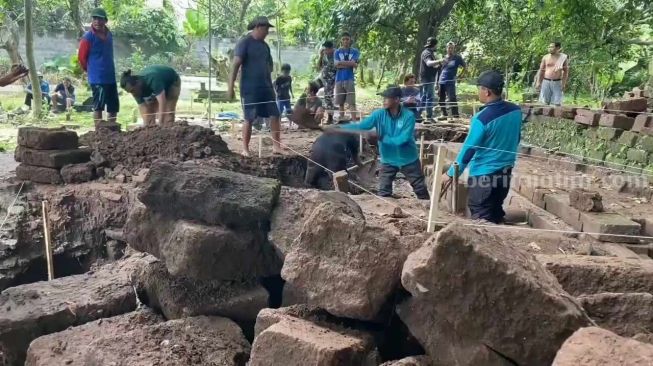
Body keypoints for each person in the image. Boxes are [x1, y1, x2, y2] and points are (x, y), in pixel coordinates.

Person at [443, 71, 521, 224]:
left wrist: (451, 173)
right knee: (496, 214)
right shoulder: (516, 111)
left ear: (487, 91)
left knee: (481, 220)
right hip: (505, 172)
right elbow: (517, 138)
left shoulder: (482, 118)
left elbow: (469, 149)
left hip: (483, 177)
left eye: (479, 88)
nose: (478, 92)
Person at [331, 85, 429, 200]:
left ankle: (428, 211)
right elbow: (362, 126)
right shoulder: (379, 114)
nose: (384, 101)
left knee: (420, 189)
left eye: (387, 98)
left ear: (397, 99)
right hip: (388, 160)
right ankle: (390, 213)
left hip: (408, 159)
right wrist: (339, 128)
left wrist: (381, 137)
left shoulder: (408, 116)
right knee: (384, 192)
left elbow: (403, 139)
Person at [228, 16, 282, 157]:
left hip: (266, 86)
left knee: (275, 114)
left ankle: (276, 146)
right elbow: (235, 65)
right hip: (249, 88)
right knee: (249, 117)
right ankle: (245, 148)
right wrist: (230, 86)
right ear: (258, 27)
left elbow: (269, 66)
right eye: (266, 29)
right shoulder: (244, 43)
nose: (267, 32)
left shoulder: (265, 46)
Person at [78, 8, 119, 126]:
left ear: (105, 20)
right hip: (97, 78)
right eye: (94, 18)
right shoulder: (88, 37)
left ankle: (112, 131)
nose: (96, 21)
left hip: (110, 76)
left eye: (99, 19)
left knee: (113, 106)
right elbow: (81, 58)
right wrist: (91, 70)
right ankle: (99, 132)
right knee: (98, 106)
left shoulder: (109, 34)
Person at [334, 32, 360, 121]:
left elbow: (353, 63)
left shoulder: (355, 51)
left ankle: (354, 121)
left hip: (349, 79)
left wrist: (341, 63)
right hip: (339, 79)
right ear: (341, 40)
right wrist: (351, 64)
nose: (345, 41)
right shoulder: (337, 51)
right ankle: (342, 120)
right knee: (340, 102)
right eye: (344, 39)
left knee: (351, 102)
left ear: (350, 40)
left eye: (347, 39)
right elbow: (336, 65)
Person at [438, 41, 466, 118]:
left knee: (452, 98)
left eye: (452, 48)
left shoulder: (457, 57)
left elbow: (465, 66)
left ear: (454, 49)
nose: (450, 49)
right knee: (441, 98)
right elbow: (440, 70)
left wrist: (460, 75)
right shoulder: (443, 58)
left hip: (450, 81)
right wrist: (437, 82)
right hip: (441, 80)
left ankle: (455, 115)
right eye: (449, 48)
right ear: (446, 48)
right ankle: (443, 114)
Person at [536, 41, 569, 106]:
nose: (549, 48)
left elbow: (566, 72)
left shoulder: (563, 57)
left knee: (557, 103)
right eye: (549, 47)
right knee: (544, 102)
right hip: (546, 81)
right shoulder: (545, 57)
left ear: (558, 48)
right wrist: (538, 82)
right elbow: (541, 70)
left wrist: (563, 84)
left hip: (557, 82)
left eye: (552, 47)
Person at [419, 37, 441, 120]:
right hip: (427, 78)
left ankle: (419, 115)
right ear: (434, 45)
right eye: (436, 45)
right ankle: (429, 117)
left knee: (424, 97)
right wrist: (440, 61)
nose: (436, 47)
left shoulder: (430, 53)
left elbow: (431, 66)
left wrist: (437, 66)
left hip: (428, 77)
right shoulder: (427, 53)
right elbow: (428, 63)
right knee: (430, 97)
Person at [317, 40, 336, 123]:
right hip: (323, 78)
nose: (326, 50)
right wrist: (320, 56)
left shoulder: (336, 55)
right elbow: (319, 66)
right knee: (311, 88)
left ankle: (330, 117)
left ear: (331, 48)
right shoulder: (324, 54)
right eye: (325, 48)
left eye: (327, 48)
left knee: (328, 97)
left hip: (332, 79)